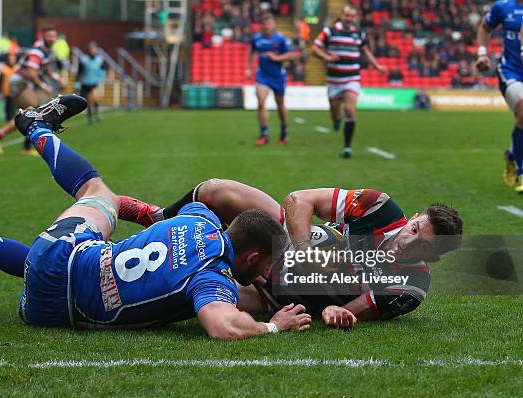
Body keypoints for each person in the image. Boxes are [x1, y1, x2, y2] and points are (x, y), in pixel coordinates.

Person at [0, 95, 314, 339]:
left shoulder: (200, 218)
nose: (268, 271)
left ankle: (36, 134)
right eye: (268, 264)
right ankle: (32, 130)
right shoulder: (211, 281)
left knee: (96, 194)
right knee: (83, 218)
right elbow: (221, 324)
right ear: (249, 258)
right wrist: (273, 325)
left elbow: (121, 204)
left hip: (59, 263)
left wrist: (141, 214)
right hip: (46, 313)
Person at [116, 178, 463, 327]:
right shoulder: (379, 207)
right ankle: (156, 217)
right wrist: (301, 251)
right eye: (415, 230)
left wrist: (333, 313)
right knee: (215, 190)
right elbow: (300, 199)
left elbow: (342, 310)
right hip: (282, 236)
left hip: (277, 295)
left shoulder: (412, 286)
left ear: (433, 257)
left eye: (423, 246)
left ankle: (116, 268)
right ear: (414, 217)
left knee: (189, 288)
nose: (409, 241)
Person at [312, 5, 386, 158]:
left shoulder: (359, 34)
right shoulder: (329, 31)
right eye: (346, 15)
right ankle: (336, 120)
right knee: (335, 113)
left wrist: (377, 66)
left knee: (350, 111)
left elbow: (365, 51)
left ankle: (347, 147)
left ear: (355, 17)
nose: (348, 18)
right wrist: (327, 57)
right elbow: (315, 48)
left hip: (351, 78)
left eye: (351, 16)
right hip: (334, 80)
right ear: (341, 15)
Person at [0, 26, 61, 157]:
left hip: (24, 83)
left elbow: (46, 68)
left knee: (30, 115)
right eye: (49, 35)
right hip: (19, 82)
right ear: (43, 36)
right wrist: (44, 85)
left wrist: (55, 77)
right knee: (33, 113)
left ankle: (16, 143)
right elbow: (32, 73)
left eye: (54, 36)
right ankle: (0, 135)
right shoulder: (37, 51)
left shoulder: (47, 51)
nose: (52, 38)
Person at [476, 0, 523, 194]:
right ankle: (522, 172)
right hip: (511, 71)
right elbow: (484, 27)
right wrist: (481, 54)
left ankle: (513, 154)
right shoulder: (502, 7)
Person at [247, 14, 300, 146]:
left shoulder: (281, 39)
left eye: (269, 24)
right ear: (262, 26)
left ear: (274, 25)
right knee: (260, 102)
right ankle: (264, 134)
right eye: (265, 24)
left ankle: (284, 129)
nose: (267, 27)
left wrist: (276, 58)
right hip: (262, 75)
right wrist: (248, 68)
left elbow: (292, 54)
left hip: (277, 76)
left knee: (280, 104)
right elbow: (251, 52)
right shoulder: (257, 39)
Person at [76, 42, 106, 124]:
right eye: (92, 49)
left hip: (94, 83)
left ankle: (97, 113)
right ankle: (90, 117)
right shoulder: (83, 59)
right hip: (85, 83)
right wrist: (77, 83)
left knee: (95, 98)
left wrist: (101, 77)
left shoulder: (100, 60)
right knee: (88, 101)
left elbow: (103, 70)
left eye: (95, 49)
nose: (93, 50)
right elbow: (79, 72)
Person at [0, 53, 19, 130]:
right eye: (10, 58)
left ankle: (13, 123)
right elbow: (0, 80)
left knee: (15, 108)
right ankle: (9, 124)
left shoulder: (17, 68)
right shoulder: (4, 68)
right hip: (7, 92)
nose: (12, 60)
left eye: (13, 59)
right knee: (8, 109)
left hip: (16, 92)